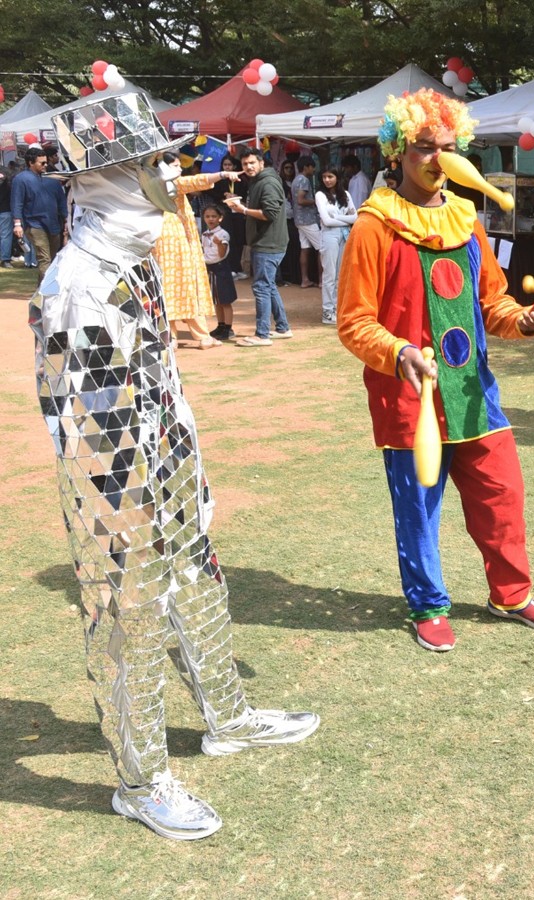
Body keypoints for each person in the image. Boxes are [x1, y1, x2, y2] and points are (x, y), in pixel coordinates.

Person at [28, 92, 318, 841]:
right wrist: (135, 518)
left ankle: (228, 716)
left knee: (201, 579)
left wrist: (186, 464)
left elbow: (163, 380)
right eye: (152, 159)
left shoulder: (138, 259)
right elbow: (91, 430)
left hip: (168, 463)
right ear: (110, 173)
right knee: (130, 618)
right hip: (115, 491)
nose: (167, 171)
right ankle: (142, 780)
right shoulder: (79, 285)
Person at [337, 89, 534, 653]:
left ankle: (511, 594)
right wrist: (399, 353)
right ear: (396, 152)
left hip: (474, 394)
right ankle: (428, 605)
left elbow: (492, 303)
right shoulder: (375, 226)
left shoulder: (468, 220)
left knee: (502, 495)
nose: (436, 159)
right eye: (422, 148)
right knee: (419, 508)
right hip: (410, 400)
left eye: (446, 147)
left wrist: (524, 320)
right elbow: (354, 321)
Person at [153, 152, 230, 349]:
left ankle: (170, 337)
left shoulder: (150, 184)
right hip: (177, 241)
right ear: (164, 168)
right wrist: (222, 174)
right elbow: (197, 181)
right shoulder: (170, 184)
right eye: (176, 166)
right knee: (188, 285)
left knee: (166, 288)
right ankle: (202, 336)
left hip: (162, 241)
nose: (180, 169)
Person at [225, 148, 292, 347]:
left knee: (261, 286)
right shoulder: (258, 181)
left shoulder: (268, 182)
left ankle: (262, 334)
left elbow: (269, 213)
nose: (248, 167)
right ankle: (282, 327)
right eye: (245, 164)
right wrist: (240, 203)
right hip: (266, 241)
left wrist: (243, 209)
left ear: (261, 163)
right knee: (268, 285)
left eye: (252, 163)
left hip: (268, 243)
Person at [11, 146, 68, 278]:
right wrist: (17, 224)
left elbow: (61, 201)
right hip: (34, 225)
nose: (45, 165)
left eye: (46, 162)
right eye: (41, 163)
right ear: (31, 163)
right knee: (45, 259)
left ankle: (41, 290)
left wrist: (66, 220)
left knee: (53, 259)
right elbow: (17, 202)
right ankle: (48, 293)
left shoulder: (52, 178)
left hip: (54, 224)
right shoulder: (21, 179)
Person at [315, 167, 357, 325]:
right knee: (329, 274)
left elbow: (356, 217)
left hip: (344, 235)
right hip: (329, 235)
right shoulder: (320, 195)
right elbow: (327, 221)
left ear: (337, 177)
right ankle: (327, 311)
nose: (327, 180)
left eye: (330, 176)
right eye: (324, 177)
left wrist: (337, 217)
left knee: (341, 275)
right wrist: (345, 219)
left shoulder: (345, 194)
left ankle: (339, 309)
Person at [201, 204, 238, 340]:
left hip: (221, 268)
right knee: (216, 300)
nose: (210, 219)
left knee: (225, 300)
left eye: (214, 216)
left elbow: (222, 254)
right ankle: (220, 325)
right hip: (210, 268)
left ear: (220, 218)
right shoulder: (204, 234)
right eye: (207, 216)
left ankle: (228, 328)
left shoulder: (223, 234)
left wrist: (218, 243)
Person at [292, 156, 321, 289]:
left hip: (299, 219)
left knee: (305, 249)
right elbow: (301, 200)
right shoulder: (304, 180)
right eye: (312, 166)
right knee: (322, 248)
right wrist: (316, 201)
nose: (313, 169)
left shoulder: (296, 179)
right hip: (308, 219)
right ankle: (322, 280)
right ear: (306, 167)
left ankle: (305, 279)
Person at [278, 158, 302, 287]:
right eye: (286, 168)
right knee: (286, 248)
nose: (289, 170)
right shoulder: (280, 183)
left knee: (295, 248)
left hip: (295, 218)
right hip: (285, 218)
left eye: (291, 168)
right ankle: (285, 275)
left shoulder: (295, 182)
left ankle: (293, 276)